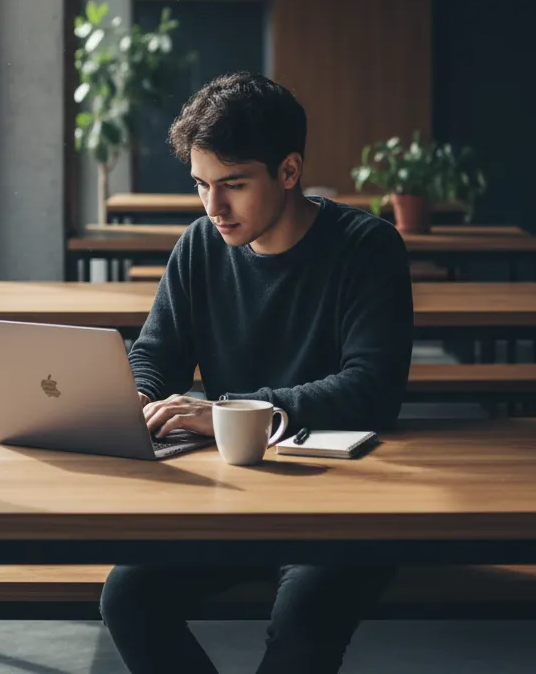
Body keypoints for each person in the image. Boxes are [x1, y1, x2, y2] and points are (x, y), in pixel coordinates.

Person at [99, 72, 414, 674]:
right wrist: (135, 398)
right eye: (200, 186)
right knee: (127, 596)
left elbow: (371, 389)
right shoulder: (199, 246)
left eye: (233, 185)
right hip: (233, 499)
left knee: (304, 618)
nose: (214, 207)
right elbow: (155, 353)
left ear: (289, 171)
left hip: (347, 507)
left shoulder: (367, 248)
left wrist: (226, 411)